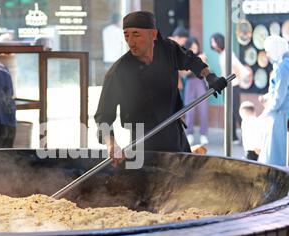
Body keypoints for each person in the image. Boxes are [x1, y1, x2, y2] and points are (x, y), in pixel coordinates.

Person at [94, 11, 228, 165]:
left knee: (185, 181)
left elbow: (190, 60)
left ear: (153, 34)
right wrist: (112, 144)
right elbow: (103, 116)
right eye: (126, 35)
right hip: (142, 140)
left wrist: (210, 76)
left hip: (174, 131)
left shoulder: (168, 50)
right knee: (150, 185)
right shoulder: (118, 72)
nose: (130, 42)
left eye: (136, 35)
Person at [258, 35, 289, 166]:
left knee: (276, 161)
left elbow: (279, 98)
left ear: (275, 49)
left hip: (283, 117)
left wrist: (265, 112)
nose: (267, 55)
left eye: (268, 51)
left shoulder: (283, 67)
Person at [210, 33, 250, 144]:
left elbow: (238, 67)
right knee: (229, 112)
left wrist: (240, 80)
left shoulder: (228, 53)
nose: (212, 43)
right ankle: (233, 137)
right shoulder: (222, 54)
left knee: (236, 112)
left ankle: (246, 136)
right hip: (227, 86)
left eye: (213, 41)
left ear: (219, 42)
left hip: (233, 86)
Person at [183, 36, 210, 146]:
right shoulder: (185, 57)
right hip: (190, 83)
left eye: (196, 46)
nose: (194, 48)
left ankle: (204, 135)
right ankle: (189, 134)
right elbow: (184, 74)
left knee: (203, 109)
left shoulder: (202, 55)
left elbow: (206, 70)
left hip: (200, 82)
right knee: (189, 110)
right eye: (192, 47)